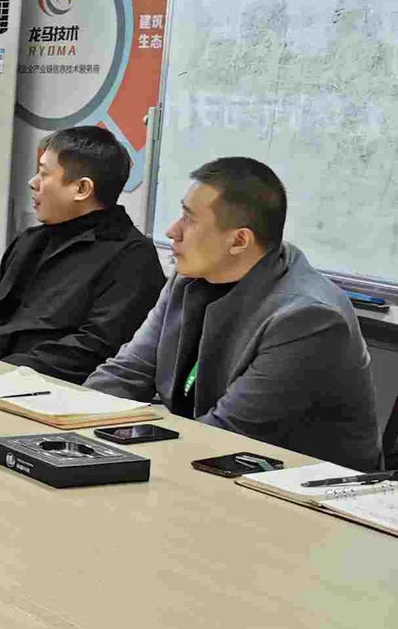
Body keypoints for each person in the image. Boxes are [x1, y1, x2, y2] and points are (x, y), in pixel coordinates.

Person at [86, 157, 381, 471]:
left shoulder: (308, 318)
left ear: (239, 241)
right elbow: (125, 373)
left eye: (189, 219)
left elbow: (226, 434)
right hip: (211, 465)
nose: (172, 231)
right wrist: (66, 421)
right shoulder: (189, 279)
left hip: (293, 487)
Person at [0, 125, 166, 382]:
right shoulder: (30, 240)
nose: (33, 183)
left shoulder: (133, 258)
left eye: (44, 174)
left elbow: (92, 349)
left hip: (41, 390)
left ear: (82, 189)